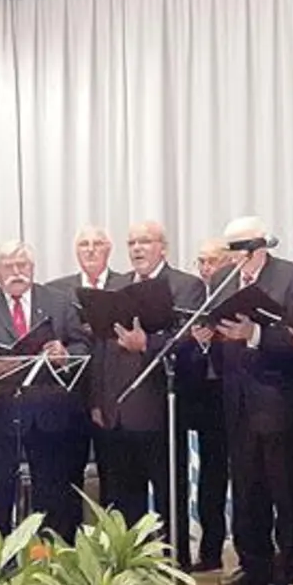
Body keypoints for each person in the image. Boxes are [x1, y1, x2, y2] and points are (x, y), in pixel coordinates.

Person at [204, 217, 293, 585]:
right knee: (245, 486)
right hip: (237, 398)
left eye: (236, 251)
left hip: (279, 398)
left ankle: (287, 567)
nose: (230, 259)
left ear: (256, 250)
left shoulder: (292, 278)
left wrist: (254, 334)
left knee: (283, 487)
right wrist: (207, 336)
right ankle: (251, 562)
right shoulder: (224, 282)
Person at [86, 221, 205, 566]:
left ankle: (172, 563)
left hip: (160, 408)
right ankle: (130, 564)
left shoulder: (186, 286)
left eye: (145, 242)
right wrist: (96, 400)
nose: (137, 248)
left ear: (163, 247)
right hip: (116, 410)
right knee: (122, 497)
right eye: (132, 242)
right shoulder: (117, 286)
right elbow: (101, 349)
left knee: (169, 494)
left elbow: (189, 343)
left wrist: (147, 345)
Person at [0, 241, 91, 541]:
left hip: (50, 413)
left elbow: (81, 345)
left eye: (23, 265)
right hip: (1, 414)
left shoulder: (59, 302)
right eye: (9, 266)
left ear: (33, 268)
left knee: (53, 494)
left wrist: (64, 352)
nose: (17, 272)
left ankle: (52, 564)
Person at [179, 238, 233, 571]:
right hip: (195, 394)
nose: (205, 268)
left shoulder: (235, 294)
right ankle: (199, 550)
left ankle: (223, 548)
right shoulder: (192, 295)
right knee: (202, 476)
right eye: (200, 261)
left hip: (229, 393)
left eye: (211, 261)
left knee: (226, 472)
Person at [49, 226, 119, 292]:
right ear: (77, 251)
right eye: (84, 244)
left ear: (108, 249)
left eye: (97, 244)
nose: (90, 249)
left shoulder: (125, 287)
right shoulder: (57, 290)